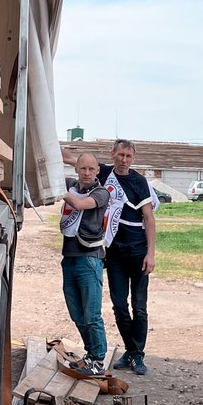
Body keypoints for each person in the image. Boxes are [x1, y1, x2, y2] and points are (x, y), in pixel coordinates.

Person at [64, 140, 158, 375]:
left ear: (133, 158)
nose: (124, 159)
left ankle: (137, 354)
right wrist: (41, 145)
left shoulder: (139, 181)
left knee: (139, 306)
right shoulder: (103, 171)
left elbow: (149, 218)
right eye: (120, 155)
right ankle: (129, 351)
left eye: (128, 155)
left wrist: (150, 253)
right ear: (112, 155)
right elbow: (69, 158)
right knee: (118, 306)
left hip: (137, 249)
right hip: (115, 251)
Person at [59, 153, 111, 376]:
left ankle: (98, 360)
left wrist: (57, 190)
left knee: (91, 314)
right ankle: (90, 354)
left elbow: (79, 205)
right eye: (83, 169)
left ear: (98, 170)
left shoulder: (101, 193)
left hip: (90, 258)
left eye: (91, 169)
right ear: (77, 170)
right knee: (77, 313)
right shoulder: (72, 185)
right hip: (69, 257)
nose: (87, 173)